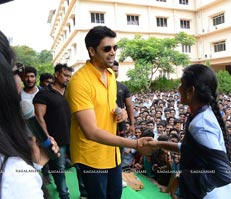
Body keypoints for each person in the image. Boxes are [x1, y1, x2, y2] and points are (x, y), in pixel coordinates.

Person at [65, 26, 154, 199]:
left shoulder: (111, 75)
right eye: (107, 48)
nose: (113, 52)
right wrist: (135, 144)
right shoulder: (79, 82)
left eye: (115, 48)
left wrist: (120, 112)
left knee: (115, 195)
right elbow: (91, 132)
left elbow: (111, 103)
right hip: (91, 157)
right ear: (92, 51)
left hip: (112, 153)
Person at [150, 64, 231, 199]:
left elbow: (224, 174)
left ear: (190, 91)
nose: (178, 89)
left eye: (181, 84)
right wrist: (157, 144)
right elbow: (191, 150)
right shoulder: (200, 116)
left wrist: (184, 178)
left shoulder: (200, 125)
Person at [0, 30, 59, 198]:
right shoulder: (15, 176)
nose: (22, 80)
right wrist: (31, 170)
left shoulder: (42, 93)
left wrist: (35, 164)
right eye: (16, 72)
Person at [33, 64, 73, 199]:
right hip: (57, 139)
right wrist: (47, 137)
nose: (68, 78)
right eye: (65, 75)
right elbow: (39, 118)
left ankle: (84, 193)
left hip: (74, 137)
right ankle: (64, 194)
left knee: (79, 165)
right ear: (56, 74)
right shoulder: (43, 94)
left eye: (69, 76)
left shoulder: (71, 91)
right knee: (59, 168)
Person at [111, 60, 135, 136]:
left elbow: (129, 106)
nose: (114, 73)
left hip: (120, 124)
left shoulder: (123, 87)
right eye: (112, 71)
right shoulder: (99, 87)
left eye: (116, 71)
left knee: (120, 146)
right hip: (105, 122)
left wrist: (132, 124)